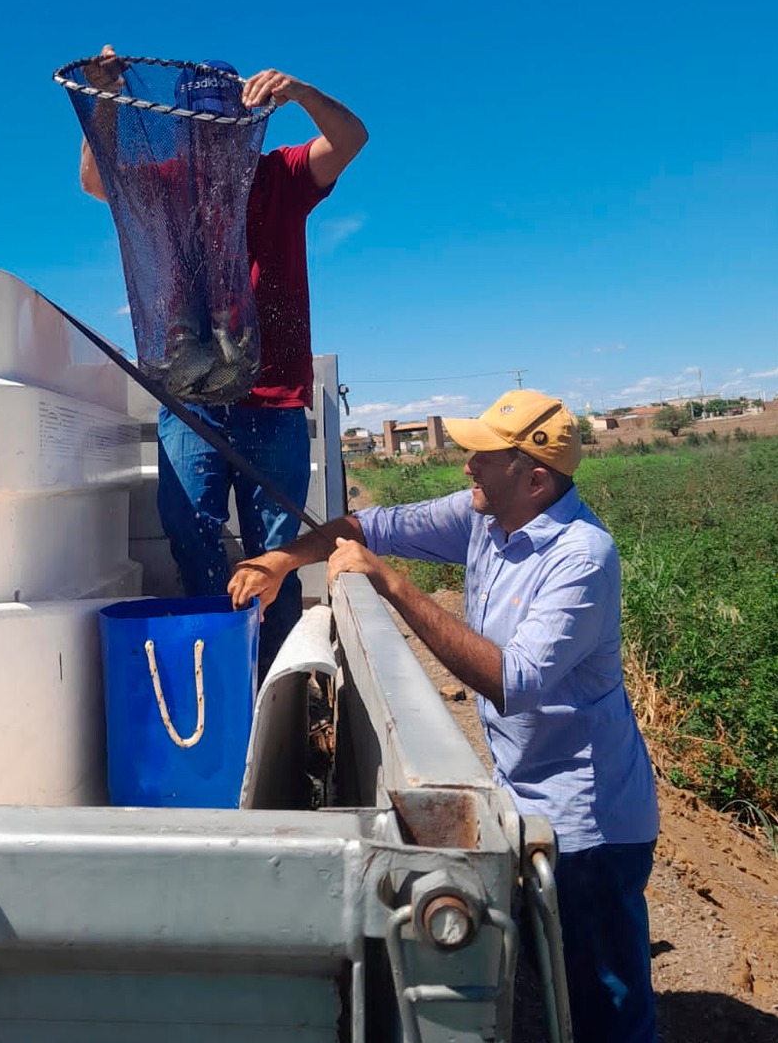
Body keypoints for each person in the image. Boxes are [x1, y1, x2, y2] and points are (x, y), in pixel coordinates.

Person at [228, 389, 660, 1043]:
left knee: (607, 1008)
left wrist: (391, 585)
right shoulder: (486, 517)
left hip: (590, 825)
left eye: (484, 456)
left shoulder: (581, 557)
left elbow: (509, 680)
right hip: (529, 799)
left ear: (535, 478)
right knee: (557, 992)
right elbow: (367, 528)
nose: (467, 467)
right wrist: (282, 561)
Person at [80, 45, 367, 677]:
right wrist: (104, 100)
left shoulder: (283, 174)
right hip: (192, 403)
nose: (209, 139)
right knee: (190, 533)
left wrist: (302, 91)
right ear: (184, 125)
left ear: (243, 125)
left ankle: (277, 686)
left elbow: (351, 138)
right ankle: (216, 671)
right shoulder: (167, 181)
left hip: (277, 404)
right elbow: (98, 179)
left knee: (279, 555)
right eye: (199, 125)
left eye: (221, 125)